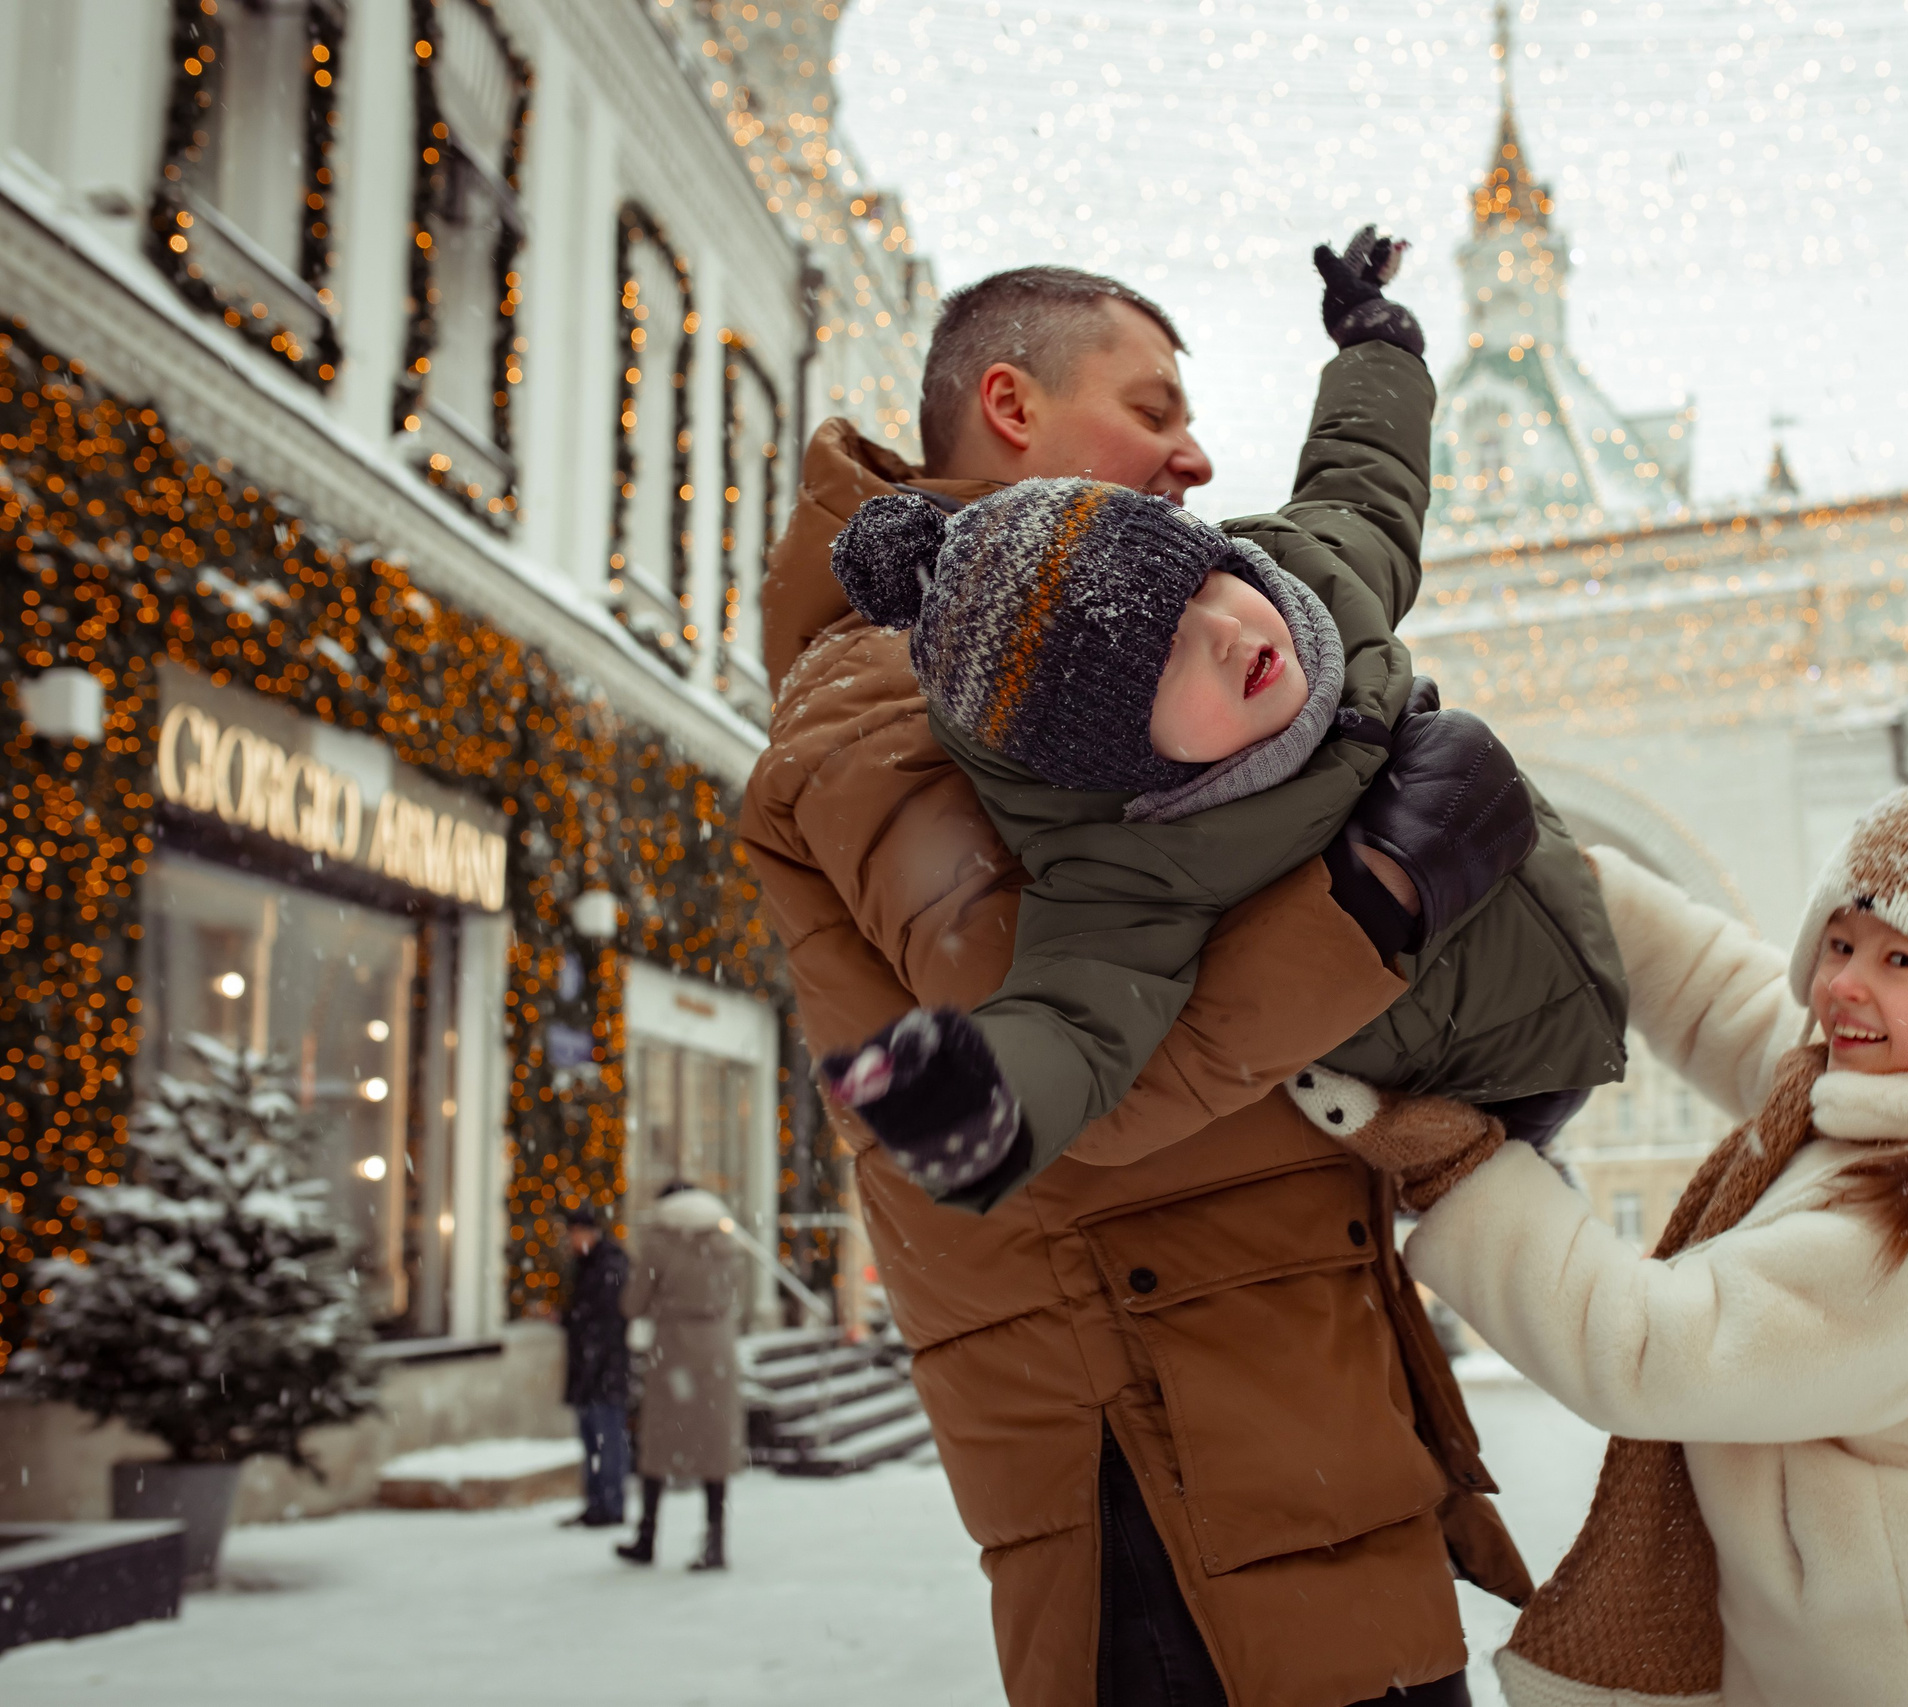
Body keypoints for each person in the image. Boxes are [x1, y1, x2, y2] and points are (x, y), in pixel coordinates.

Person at [740, 257, 1533, 1705]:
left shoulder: (1163, 620)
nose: (1197, 454)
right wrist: (1387, 891)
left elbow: (1360, 506)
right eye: (1152, 404)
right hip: (1167, 1480)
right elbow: (1087, 1069)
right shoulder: (886, 695)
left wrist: (1376, 354)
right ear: (1012, 406)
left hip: (1268, 1424)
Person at [1306, 709, 1908, 1707]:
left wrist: (1457, 1164)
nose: (1844, 988)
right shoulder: (1893, 1096)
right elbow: (1711, 994)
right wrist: (1571, 890)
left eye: (1900, 960)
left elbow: (1649, 1350)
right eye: (1839, 941)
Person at [821, 231, 1624, 1213]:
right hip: (1478, 1081)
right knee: (1530, 1236)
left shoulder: (1307, 581)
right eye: (1163, 659)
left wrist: (1377, 349)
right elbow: (1078, 1015)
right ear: (1123, 760)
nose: (1230, 632)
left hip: (1577, 914)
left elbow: (1363, 480)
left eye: (1206, 585)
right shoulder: (1136, 860)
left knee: (1751, 994)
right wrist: (985, 1097)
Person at [617, 1180, 750, 1573]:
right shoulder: (727, 1241)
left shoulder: (659, 1242)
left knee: (658, 1442)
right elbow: (736, 1291)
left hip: (674, 1349)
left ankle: (647, 1535)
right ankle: (715, 1540)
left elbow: (633, 1304)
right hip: (718, 1349)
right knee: (714, 1447)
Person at [557, 1206, 631, 1528]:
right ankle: (597, 1502)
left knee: (606, 1439)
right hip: (591, 1369)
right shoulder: (589, 1265)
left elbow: (604, 1321)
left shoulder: (607, 1266)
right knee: (593, 1440)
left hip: (603, 1370)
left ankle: (609, 1504)